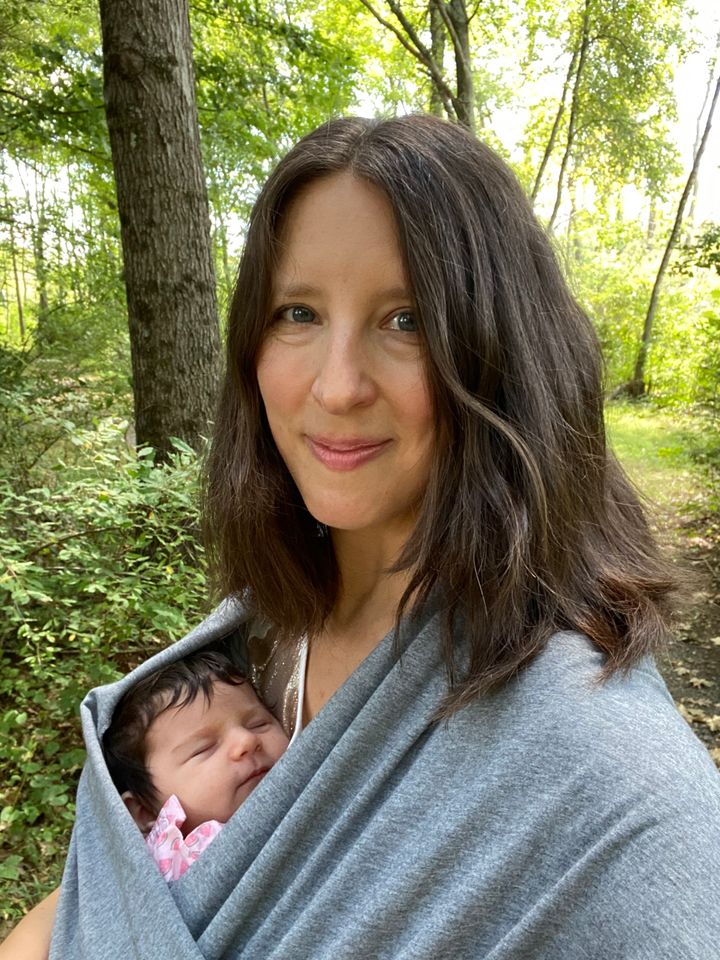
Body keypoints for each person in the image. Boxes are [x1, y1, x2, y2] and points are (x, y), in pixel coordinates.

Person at [4, 113, 720, 959]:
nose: (337, 386)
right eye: (298, 312)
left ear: (506, 355)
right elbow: (130, 885)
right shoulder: (265, 634)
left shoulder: (609, 783)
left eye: (407, 320)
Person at [102, 650, 290, 881]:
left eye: (257, 724)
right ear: (146, 812)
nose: (247, 741)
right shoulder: (161, 876)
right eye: (205, 748)